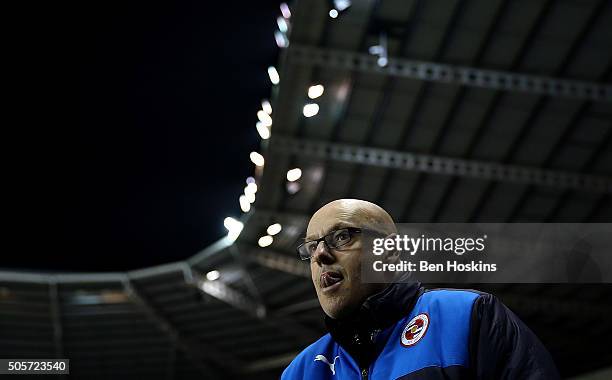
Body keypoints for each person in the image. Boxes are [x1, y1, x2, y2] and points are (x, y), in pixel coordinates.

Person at [281, 199, 559, 379]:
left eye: (341, 237)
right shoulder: (302, 371)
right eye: (312, 246)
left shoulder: (468, 317)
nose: (320, 255)